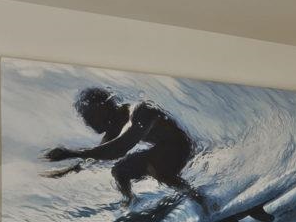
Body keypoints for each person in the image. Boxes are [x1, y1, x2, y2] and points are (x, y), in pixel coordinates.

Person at [42, 88, 209, 214]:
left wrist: (71, 152)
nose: (87, 122)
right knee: (119, 171)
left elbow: (119, 148)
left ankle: (200, 199)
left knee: (154, 165)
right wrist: (66, 171)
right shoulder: (114, 126)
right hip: (162, 150)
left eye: (89, 115)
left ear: (104, 107)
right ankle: (130, 203)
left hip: (181, 147)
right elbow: (97, 155)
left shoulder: (140, 112)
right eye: (85, 117)